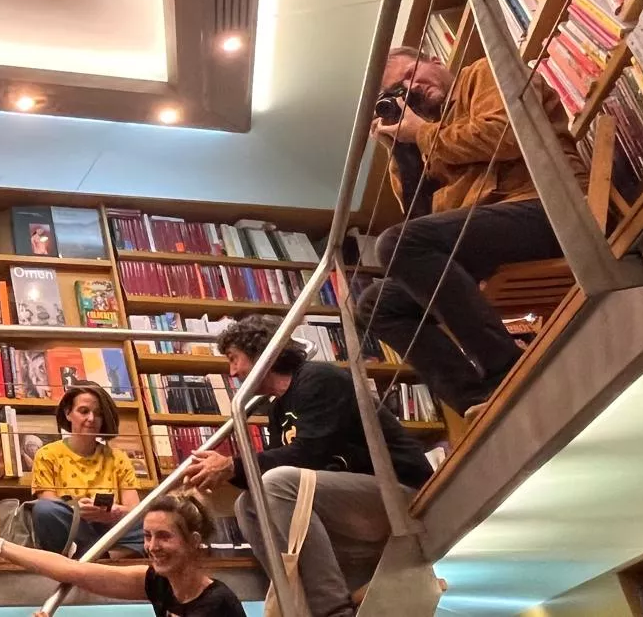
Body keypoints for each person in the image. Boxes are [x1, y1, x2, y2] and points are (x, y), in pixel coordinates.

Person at [362, 47, 581, 419]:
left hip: (549, 204)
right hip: (489, 235)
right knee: (376, 304)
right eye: (399, 90)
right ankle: (474, 397)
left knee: (399, 242)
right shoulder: (422, 133)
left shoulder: (482, 73)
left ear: (435, 61)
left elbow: (508, 133)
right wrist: (402, 152)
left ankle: (505, 370)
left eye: (411, 74)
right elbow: (420, 217)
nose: (412, 88)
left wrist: (422, 134)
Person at [182, 315, 434, 617]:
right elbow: (280, 465)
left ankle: (332, 610)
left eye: (234, 359)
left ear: (262, 352)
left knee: (277, 483)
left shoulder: (319, 379)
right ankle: (296, 602)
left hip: (401, 493)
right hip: (350, 502)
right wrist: (224, 473)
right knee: (247, 505)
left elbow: (310, 455)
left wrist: (232, 465)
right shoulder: (278, 409)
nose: (232, 372)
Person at [0, 494, 244, 617]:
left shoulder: (215, 604)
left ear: (193, 542)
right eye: (147, 536)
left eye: (164, 536)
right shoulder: (160, 582)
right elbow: (73, 570)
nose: (152, 546)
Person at [27, 381, 144, 557]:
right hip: (73, 529)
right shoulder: (47, 454)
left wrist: (114, 512)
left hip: (110, 530)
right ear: (68, 413)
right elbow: (48, 504)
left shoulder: (118, 458)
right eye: (84, 411)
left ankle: (91, 555)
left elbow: (134, 509)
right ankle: (101, 555)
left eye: (98, 413)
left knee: (151, 517)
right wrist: (76, 510)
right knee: (44, 511)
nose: (91, 418)